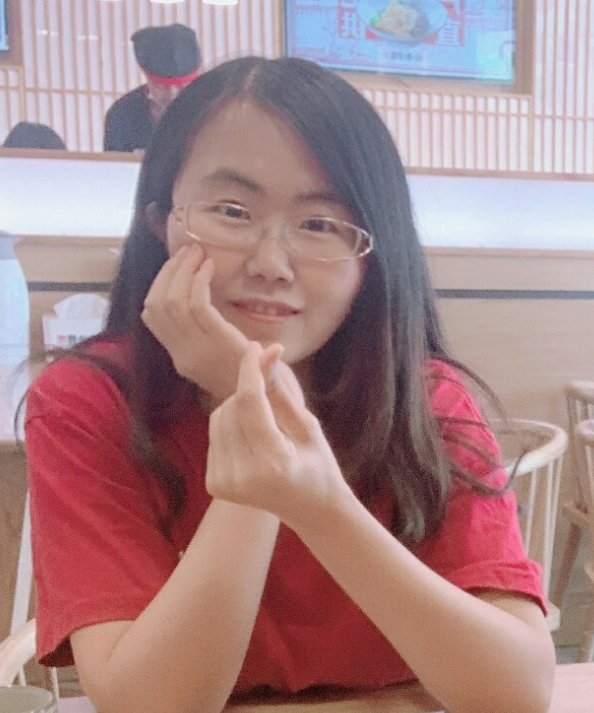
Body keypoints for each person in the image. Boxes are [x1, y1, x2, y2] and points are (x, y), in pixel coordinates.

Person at [26, 57, 555, 713]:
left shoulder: (421, 399)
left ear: (372, 256)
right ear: (161, 222)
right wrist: (251, 411)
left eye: (320, 224)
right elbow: (152, 704)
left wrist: (317, 500)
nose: (271, 263)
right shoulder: (89, 401)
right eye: (231, 210)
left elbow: (517, 692)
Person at [103, 23, 201, 153]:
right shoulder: (123, 113)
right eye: (162, 87)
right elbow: (115, 162)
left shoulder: (214, 106)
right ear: (148, 81)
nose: (172, 94)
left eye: (181, 87)